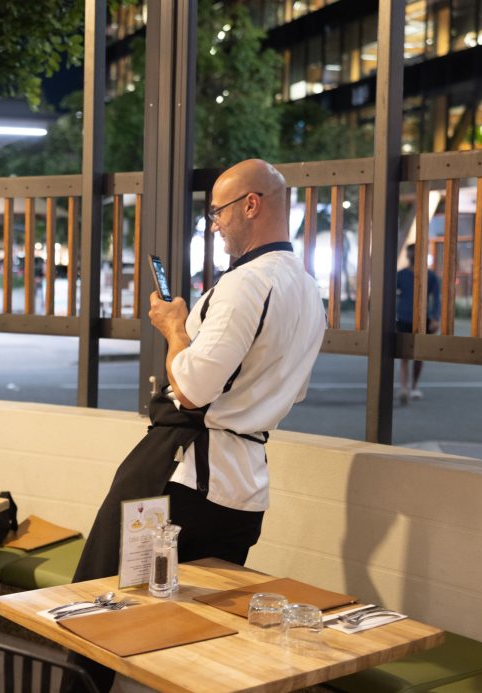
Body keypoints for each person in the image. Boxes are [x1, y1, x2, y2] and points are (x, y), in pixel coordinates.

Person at [69, 160, 325, 692]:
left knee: (100, 611)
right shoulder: (308, 290)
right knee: (199, 635)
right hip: (244, 490)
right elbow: (291, 392)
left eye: (217, 212)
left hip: (180, 476)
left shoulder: (245, 283)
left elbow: (189, 388)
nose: (214, 225)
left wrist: (173, 329)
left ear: (250, 205)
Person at [395, 242, 440, 404]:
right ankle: (404, 387)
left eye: (416, 252)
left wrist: (435, 318)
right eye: (411, 252)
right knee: (404, 355)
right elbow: (390, 294)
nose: (413, 255)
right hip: (403, 318)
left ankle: (414, 386)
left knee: (419, 356)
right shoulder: (400, 275)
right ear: (408, 255)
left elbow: (436, 298)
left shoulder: (430, 276)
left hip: (423, 320)